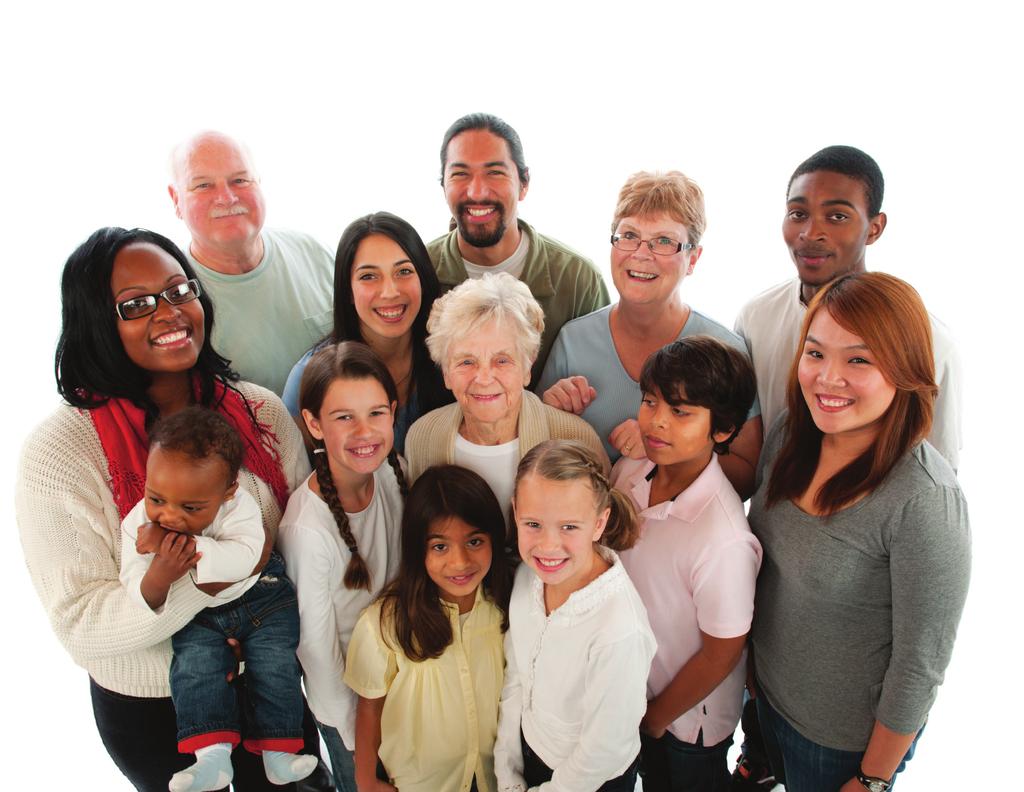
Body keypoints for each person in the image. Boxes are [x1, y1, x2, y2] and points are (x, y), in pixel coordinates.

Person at [15, 227, 314, 791]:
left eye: (181, 290)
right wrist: (210, 586)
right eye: (136, 305)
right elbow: (81, 623)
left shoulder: (260, 413)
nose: (170, 311)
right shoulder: (60, 452)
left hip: (271, 686)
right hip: (159, 708)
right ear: (96, 321)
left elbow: (301, 549)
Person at [748, 272, 970, 791]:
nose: (827, 378)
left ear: (905, 369)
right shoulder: (788, 436)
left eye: (859, 360)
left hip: (841, 746)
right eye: (815, 353)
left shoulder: (925, 501)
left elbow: (920, 666)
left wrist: (871, 779)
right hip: (766, 702)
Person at [120, 408, 316, 791]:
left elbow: (246, 555)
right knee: (194, 670)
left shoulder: (238, 505)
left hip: (261, 598)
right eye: (157, 498)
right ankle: (211, 757)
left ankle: (280, 752)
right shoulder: (138, 523)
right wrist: (158, 577)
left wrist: (186, 547)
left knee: (275, 666)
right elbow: (135, 585)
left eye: (191, 508)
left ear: (228, 491)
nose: (170, 515)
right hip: (199, 617)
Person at [734, 145, 962, 469]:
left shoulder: (932, 341)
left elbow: (940, 470)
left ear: (874, 228)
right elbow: (740, 444)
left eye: (837, 216)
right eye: (798, 214)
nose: (811, 233)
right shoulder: (756, 319)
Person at [538, 171, 762, 499]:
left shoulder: (725, 349)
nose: (641, 253)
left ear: (693, 259)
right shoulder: (573, 340)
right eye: (629, 235)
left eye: (663, 241)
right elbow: (534, 452)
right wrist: (547, 411)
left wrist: (664, 450)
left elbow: (747, 476)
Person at [611, 337, 761, 792]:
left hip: (684, 722)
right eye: (650, 401)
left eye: (681, 412)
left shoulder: (725, 539)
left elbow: (722, 653)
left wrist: (656, 720)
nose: (656, 421)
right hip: (632, 695)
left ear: (723, 430)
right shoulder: (631, 470)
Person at [278, 342, 408, 791]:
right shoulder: (306, 530)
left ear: (393, 413)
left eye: (376, 413)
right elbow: (317, 653)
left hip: (403, 685)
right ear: (313, 423)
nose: (364, 431)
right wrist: (362, 749)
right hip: (352, 710)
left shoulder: (394, 472)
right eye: (343, 417)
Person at [496, 439, 656, 792]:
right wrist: (507, 767)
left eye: (569, 527)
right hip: (531, 753)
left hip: (590, 780)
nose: (548, 546)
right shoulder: (529, 577)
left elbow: (604, 749)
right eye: (533, 524)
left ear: (599, 524)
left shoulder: (619, 630)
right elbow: (518, 673)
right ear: (515, 511)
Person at [345, 465, 512, 792]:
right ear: (416, 547)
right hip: (420, 783)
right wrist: (365, 779)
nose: (460, 562)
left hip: (496, 776)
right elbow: (369, 706)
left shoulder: (505, 605)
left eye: (475, 541)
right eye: (440, 547)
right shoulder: (384, 622)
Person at [404, 272, 608, 516]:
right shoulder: (422, 438)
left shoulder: (576, 438)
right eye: (466, 362)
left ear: (527, 366)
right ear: (446, 372)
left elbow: (601, 538)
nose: (484, 378)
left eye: (502, 360)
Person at [429, 112, 609, 383]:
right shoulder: (416, 272)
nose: (477, 192)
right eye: (460, 174)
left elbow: (601, 379)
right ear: (443, 186)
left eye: (494, 173)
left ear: (524, 183)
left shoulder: (579, 281)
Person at [169, 130, 334, 396]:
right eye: (203, 185)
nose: (226, 197)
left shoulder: (315, 254)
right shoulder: (171, 297)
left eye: (240, 180)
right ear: (176, 200)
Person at [281, 212, 452, 453]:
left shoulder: (453, 357)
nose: (390, 291)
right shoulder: (308, 376)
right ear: (348, 290)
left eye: (403, 272)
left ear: (423, 278)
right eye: (368, 276)